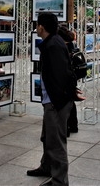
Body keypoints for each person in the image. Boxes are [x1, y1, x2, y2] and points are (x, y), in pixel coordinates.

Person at [26, 13, 74, 186]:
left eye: (37, 25)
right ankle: (46, 166)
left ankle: (60, 181)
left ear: (41, 27)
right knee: (47, 137)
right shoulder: (53, 42)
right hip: (51, 100)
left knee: (56, 142)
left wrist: (60, 98)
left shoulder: (53, 45)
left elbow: (63, 73)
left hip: (56, 102)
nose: (36, 28)